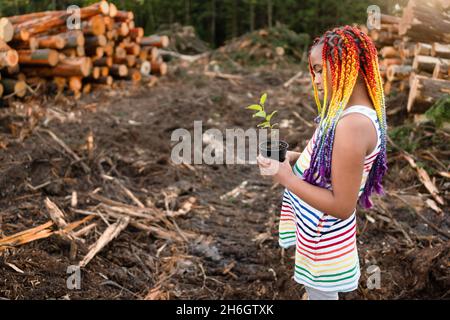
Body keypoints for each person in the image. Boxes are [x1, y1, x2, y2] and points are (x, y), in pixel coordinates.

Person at [256, 25, 388, 300]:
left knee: (321, 293)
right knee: (314, 290)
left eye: (318, 69)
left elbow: (341, 206)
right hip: (316, 231)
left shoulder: (353, 125)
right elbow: (328, 160)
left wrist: (286, 178)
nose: (314, 79)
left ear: (345, 66)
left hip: (324, 242)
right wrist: (291, 158)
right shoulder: (343, 112)